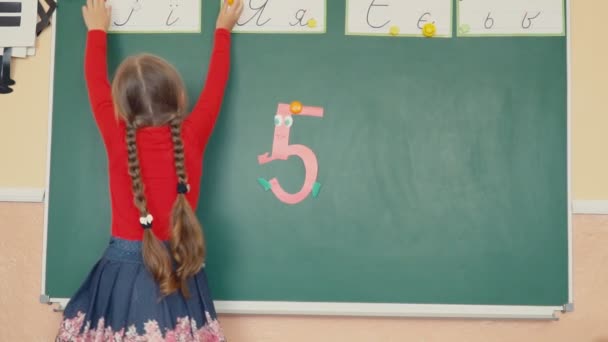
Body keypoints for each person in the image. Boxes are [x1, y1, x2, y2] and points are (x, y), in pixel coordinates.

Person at [56, 0, 243, 340]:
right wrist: (223, 31)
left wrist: (97, 31)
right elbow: (216, 86)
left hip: (122, 274)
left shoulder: (116, 133)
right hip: (180, 272)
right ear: (178, 97)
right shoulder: (192, 134)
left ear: (120, 105)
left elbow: (95, 80)